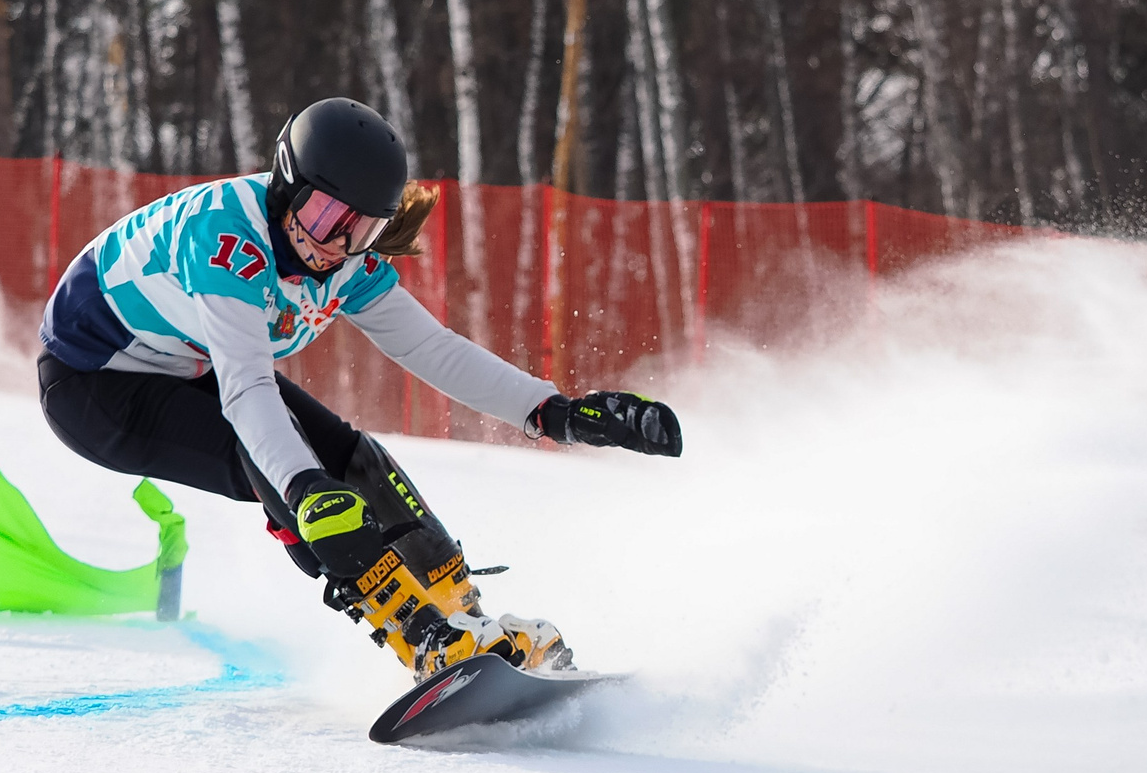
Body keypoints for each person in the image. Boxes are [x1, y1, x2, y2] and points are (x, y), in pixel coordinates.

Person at [36, 96, 681, 679]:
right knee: (284, 468)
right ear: (286, 189)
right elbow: (247, 390)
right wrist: (304, 491)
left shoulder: (349, 261)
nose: (337, 244)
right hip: (93, 386)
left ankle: (461, 615)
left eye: (362, 228)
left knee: (352, 460)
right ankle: (420, 636)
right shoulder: (227, 240)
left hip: (182, 363)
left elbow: (430, 348)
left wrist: (553, 412)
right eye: (324, 216)